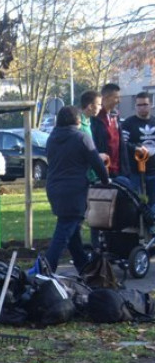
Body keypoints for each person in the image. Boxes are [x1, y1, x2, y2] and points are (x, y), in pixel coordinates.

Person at [30, 105, 110, 275]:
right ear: (77, 121)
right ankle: (46, 269)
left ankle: (83, 266)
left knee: (72, 231)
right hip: (74, 190)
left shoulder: (52, 138)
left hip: (54, 188)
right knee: (64, 231)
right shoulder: (82, 137)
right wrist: (106, 181)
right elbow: (96, 163)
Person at [90, 83, 131, 179]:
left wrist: (125, 168)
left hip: (118, 170)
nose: (119, 101)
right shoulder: (95, 119)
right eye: (116, 97)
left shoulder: (115, 116)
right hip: (102, 170)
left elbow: (120, 144)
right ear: (106, 98)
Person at [122, 91, 155, 199]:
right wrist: (136, 148)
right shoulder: (128, 123)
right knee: (135, 201)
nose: (142, 108)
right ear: (135, 106)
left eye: (145, 104)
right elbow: (123, 144)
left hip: (153, 170)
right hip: (134, 171)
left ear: (150, 104)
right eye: (139, 105)